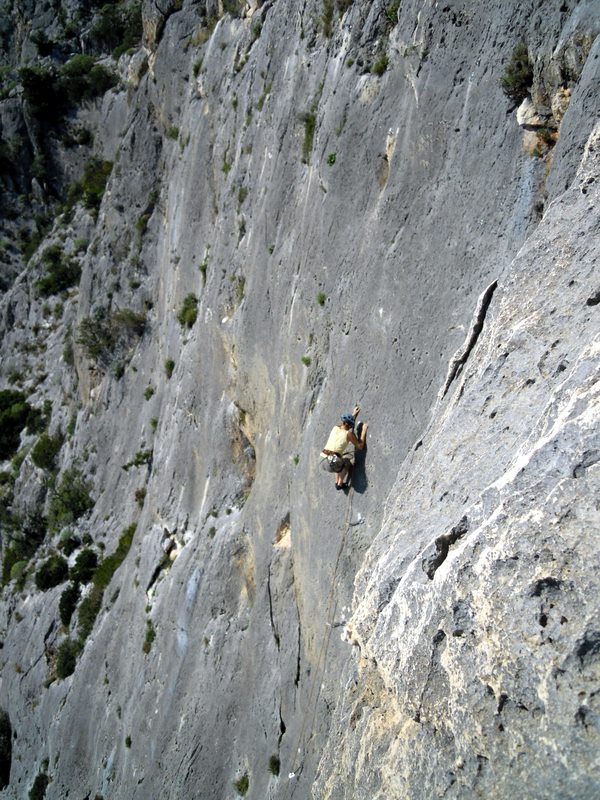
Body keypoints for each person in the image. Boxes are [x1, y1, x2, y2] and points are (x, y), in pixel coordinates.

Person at [321, 405, 368, 489]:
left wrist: (353, 415)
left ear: (342, 422)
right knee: (346, 463)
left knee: (337, 458)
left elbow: (346, 425)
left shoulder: (335, 427)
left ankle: (336, 481)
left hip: (324, 460)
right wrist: (364, 430)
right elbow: (360, 446)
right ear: (351, 425)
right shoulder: (348, 434)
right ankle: (340, 483)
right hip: (333, 463)